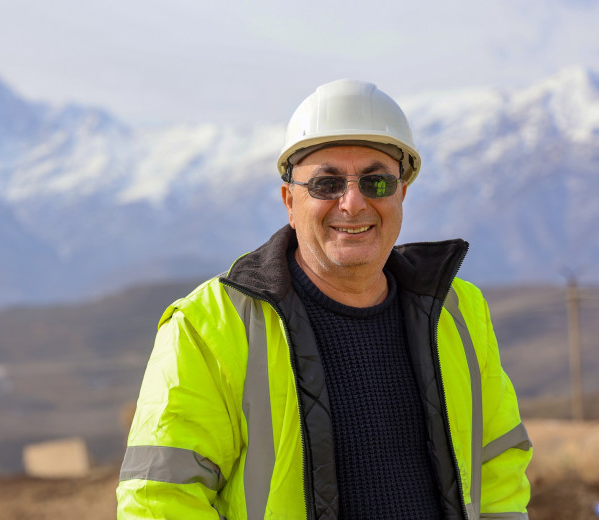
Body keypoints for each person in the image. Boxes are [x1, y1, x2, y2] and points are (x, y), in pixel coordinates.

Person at [116, 79, 532, 519]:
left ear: (402, 193)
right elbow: (159, 500)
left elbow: (499, 471)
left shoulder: (458, 312)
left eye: (376, 182)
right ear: (289, 202)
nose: (352, 203)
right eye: (326, 184)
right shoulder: (208, 327)